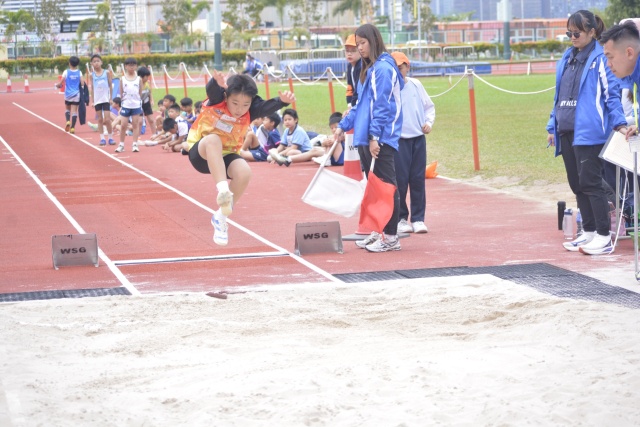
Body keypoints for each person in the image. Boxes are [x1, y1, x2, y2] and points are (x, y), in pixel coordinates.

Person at [546, 10, 627, 255]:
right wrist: (552, 126)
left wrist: (619, 123)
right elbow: (559, 95)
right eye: (569, 33)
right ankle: (589, 231)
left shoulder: (601, 58)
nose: (572, 37)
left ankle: (604, 235)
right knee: (577, 184)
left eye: (577, 33)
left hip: (590, 131)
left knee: (591, 183)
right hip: (566, 129)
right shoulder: (567, 58)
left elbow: (612, 94)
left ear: (592, 32)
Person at [184, 71, 294, 245]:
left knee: (244, 172)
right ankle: (223, 191)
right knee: (214, 139)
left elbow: (265, 107)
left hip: (226, 155)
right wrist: (215, 82)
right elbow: (212, 91)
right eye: (235, 103)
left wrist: (282, 102)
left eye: (245, 105)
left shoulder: (250, 110)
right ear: (226, 96)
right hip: (202, 153)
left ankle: (221, 217)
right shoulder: (217, 100)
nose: (239, 109)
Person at [333, 24, 404, 253]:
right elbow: (360, 105)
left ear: (373, 41)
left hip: (380, 137)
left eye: (362, 43)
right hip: (365, 136)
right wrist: (343, 126)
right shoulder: (369, 69)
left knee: (385, 186)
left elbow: (382, 107)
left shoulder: (383, 69)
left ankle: (391, 237)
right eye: (358, 44)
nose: (359, 48)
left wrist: (375, 136)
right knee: (373, 187)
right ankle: (378, 230)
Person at [391, 51, 435, 235]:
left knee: (417, 179)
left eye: (400, 67)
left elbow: (429, 106)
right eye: (394, 68)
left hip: (417, 139)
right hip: (399, 140)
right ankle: (401, 218)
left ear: (407, 67)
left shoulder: (416, 84)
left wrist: (428, 123)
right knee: (400, 180)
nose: (398, 71)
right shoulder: (390, 87)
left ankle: (418, 219)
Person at [115, 57, 143, 153]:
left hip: (135, 105)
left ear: (136, 66)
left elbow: (140, 92)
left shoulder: (139, 79)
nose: (131, 67)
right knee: (123, 125)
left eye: (133, 65)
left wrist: (137, 101)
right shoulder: (122, 79)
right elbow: (121, 93)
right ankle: (121, 144)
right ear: (126, 66)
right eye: (129, 65)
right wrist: (123, 104)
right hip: (126, 105)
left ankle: (135, 144)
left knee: (135, 124)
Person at [87, 54, 115, 146]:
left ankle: (110, 138)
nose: (96, 63)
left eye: (98, 61)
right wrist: (93, 101)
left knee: (107, 119)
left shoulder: (106, 72)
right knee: (100, 119)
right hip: (97, 100)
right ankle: (102, 138)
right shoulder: (92, 75)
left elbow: (110, 85)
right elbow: (92, 88)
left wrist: (110, 98)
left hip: (106, 99)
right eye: (94, 61)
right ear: (91, 64)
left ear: (101, 62)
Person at [56, 55, 85, 134]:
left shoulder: (66, 72)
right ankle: (72, 128)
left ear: (69, 63)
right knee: (74, 111)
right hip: (76, 94)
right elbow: (82, 83)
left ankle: (68, 121)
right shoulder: (79, 72)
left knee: (67, 109)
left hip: (68, 94)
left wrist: (58, 85)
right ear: (77, 64)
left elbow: (61, 82)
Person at [138, 66, 156, 136]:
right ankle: (137, 136)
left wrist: (152, 100)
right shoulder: (137, 84)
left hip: (146, 103)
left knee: (151, 120)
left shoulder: (147, 83)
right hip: (138, 104)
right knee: (139, 121)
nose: (147, 78)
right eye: (146, 76)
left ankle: (154, 134)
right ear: (141, 76)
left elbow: (150, 92)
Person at [345, 34, 362, 108]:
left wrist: (353, 105)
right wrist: (349, 103)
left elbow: (359, 89)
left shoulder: (361, 66)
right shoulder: (349, 66)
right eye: (347, 50)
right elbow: (349, 87)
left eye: (353, 51)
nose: (349, 54)